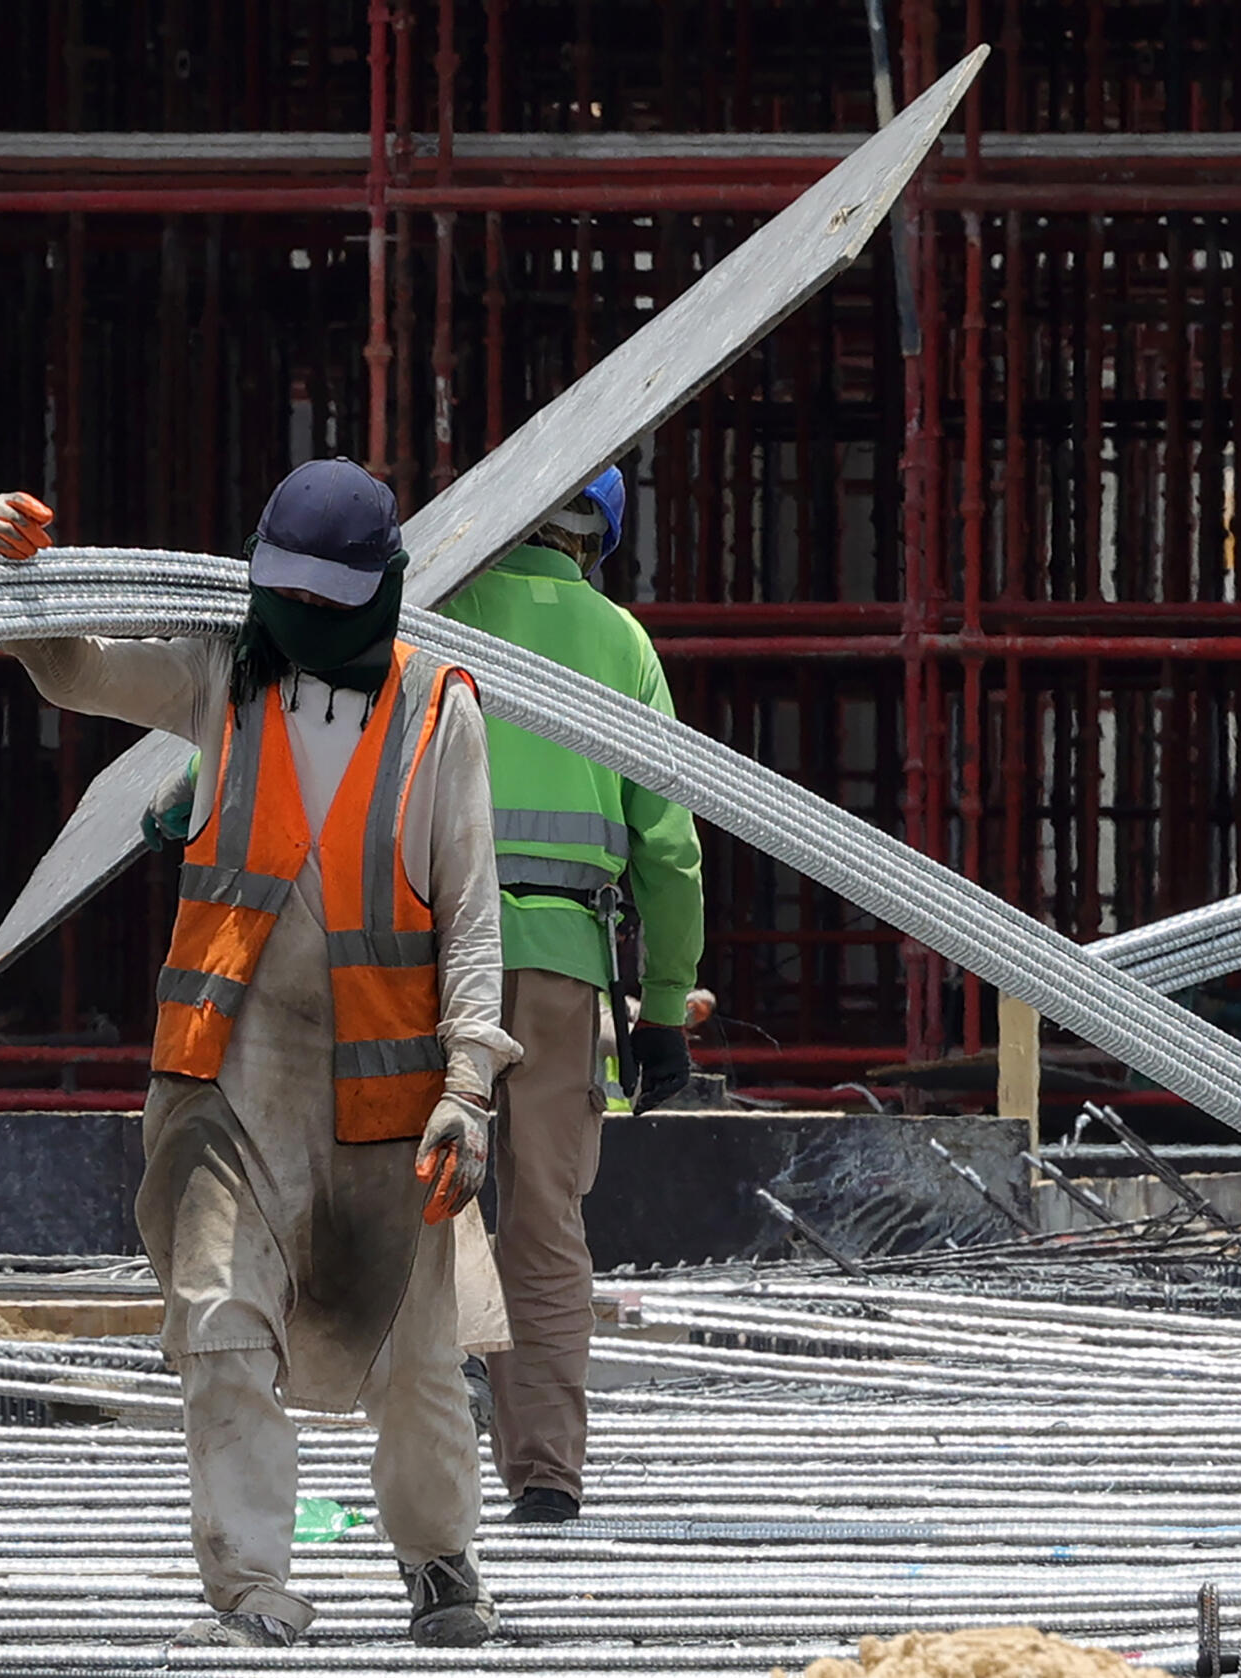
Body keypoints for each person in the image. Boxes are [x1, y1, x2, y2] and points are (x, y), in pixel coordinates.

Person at [0, 463, 521, 1649]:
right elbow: (76, 670)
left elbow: (474, 917)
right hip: (231, 1082)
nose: (303, 618)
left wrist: (468, 1086)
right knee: (217, 1321)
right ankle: (251, 1583)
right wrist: (15, 577)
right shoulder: (225, 673)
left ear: (376, 591)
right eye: (290, 594)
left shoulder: (439, 713)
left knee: (416, 1362)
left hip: (388, 1098)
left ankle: (438, 1555)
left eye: (326, 599)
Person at [432, 465, 704, 1526]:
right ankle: (544, 1472)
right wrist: (664, 1013)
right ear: (598, 542)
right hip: (562, 967)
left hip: (432, 958)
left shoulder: (444, 610)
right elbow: (669, 853)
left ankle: (430, 1458)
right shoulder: (621, 642)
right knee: (544, 1219)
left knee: (429, 1202)